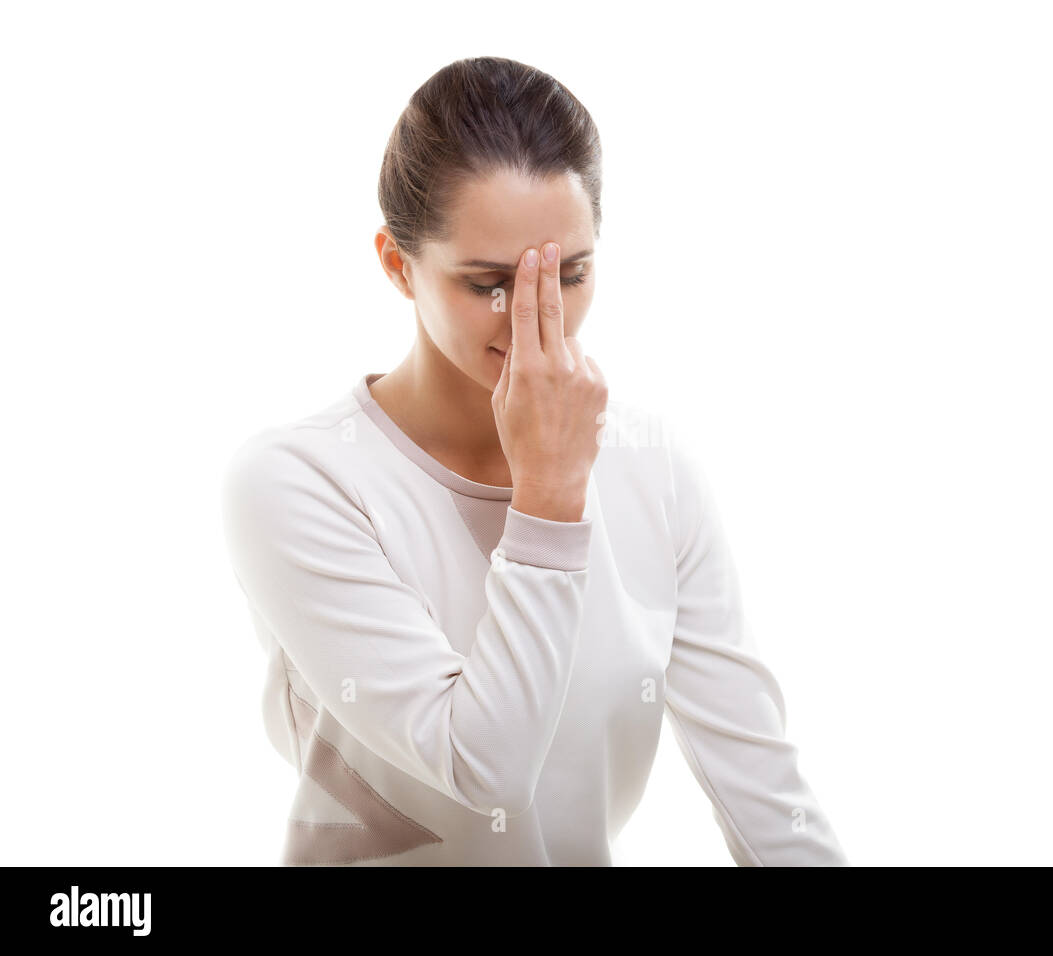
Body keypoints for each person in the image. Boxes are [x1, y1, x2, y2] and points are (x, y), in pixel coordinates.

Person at [220, 55, 849, 866]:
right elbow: (482, 771)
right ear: (395, 264)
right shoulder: (298, 482)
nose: (533, 316)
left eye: (570, 273)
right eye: (487, 281)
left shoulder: (654, 469)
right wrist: (549, 493)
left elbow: (759, 784)